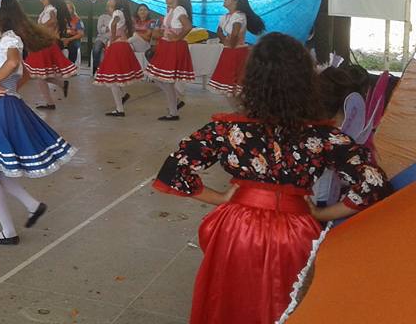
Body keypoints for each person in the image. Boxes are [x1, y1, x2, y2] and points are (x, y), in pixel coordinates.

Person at [154, 32, 392, 324]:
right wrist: (321, 213)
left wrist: (222, 199)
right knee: (287, 306)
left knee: (231, 304)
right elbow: (374, 185)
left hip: (236, 230)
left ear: (251, 81)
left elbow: (173, 171)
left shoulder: (226, 130)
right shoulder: (324, 136)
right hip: (295, 233)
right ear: (306, 82)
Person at [0, 0, 76, 245]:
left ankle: (8, 230)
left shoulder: (9, 39)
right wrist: (5, 86)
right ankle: (31, 206)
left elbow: (14, 63)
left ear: (0, 15)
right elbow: (25, 71)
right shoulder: (4, 39)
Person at [146, 0, 195, 121]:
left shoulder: (179, 9)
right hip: (166, 46)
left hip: (173, 47)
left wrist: (177, 38)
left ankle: (173, 112)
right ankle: (176, 100)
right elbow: (168, 28)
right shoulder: (171, 10)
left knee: (166, 81)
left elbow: (188, 26)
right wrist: (161, 33)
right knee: (157, 77)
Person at [24, 0, 77, 110]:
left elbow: (53, 21)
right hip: (44, 43)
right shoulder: (48, 9)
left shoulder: (51, 9)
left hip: (45, 44)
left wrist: (38, 27)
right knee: (41, 74)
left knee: (40, 75)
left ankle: (50, 102)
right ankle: (60, 86)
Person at [94, 0, 143, 117]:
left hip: (117, 46)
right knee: (115, 77)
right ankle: (122, 98)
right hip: (122, 45)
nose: (110, 0)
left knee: (113, 79)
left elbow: (115, 23)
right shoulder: (122, 12)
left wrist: (112, 38)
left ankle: (120, 109)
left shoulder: (117, 12)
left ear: (117, 1)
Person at [208, 0, 265, 97]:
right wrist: (225, 41)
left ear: (235, 2)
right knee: (229, 81)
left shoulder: (239, 16)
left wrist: (230, 45)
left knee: (235, 80)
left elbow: (235, 33)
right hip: (229, 50)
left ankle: (238, 103)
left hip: (237, 51)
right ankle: (234, 102)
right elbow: (219, 31)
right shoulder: (225, 17)